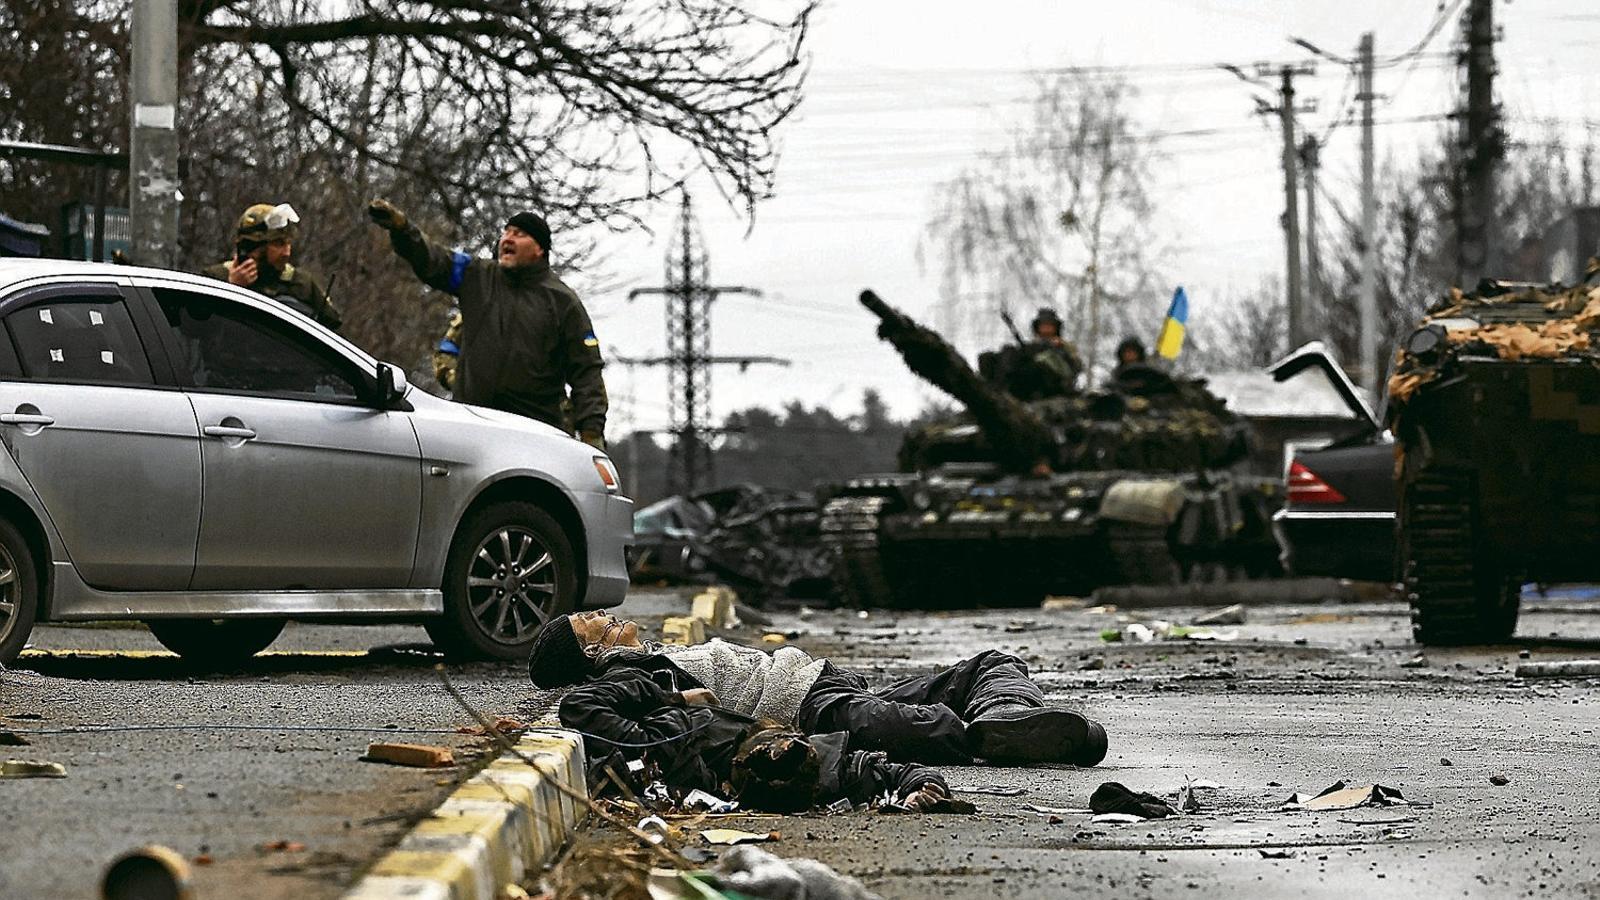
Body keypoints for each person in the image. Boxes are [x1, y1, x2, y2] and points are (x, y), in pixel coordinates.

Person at [528, 611, 1108, 768]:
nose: (607, 616)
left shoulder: (655, 657)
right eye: (593, 625)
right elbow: (586, 709)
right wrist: (680, 700)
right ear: (592, 654)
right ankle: (992, 734)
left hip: (826, 680)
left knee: (991, 661)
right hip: (813, 709)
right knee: (928, 730)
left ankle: (1004, 719)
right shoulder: (635, 676)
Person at [366, 199, 607, 449]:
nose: (508, 238)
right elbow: (433, 259)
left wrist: (591, 433)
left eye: (520, 234)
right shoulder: (476, 276)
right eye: (507, 232)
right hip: (472, 424)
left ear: (539, 250)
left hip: (535, 432)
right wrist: (403, 229)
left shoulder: (563, 302)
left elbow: (587, 371)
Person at [559, 665, 959, 813]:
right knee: (933, 713)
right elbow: (895, 772)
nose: (780, 743)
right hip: (819, 687)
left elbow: (579, 705)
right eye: (786, 741)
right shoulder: (821, 770)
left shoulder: (669, 745)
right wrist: (925, 788)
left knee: (926, 712)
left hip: (812, 688)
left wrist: (672, 698)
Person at [201, 203, 342, 331]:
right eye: (279, 244)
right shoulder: (216, 278)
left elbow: (334, 333)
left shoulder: (302, 284)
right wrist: (231, 290)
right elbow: (195, 327)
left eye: (288, 243)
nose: (287, 252)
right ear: (254, 247)